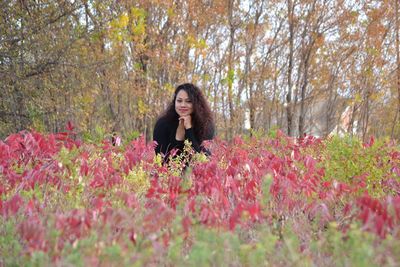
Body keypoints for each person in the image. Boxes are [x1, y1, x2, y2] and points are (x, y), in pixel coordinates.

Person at [153, 83, 215, 163]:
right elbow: (161, 159)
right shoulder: (162, 124)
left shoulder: (206, 124)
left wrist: (189, 129)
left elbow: (203, 159)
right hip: (169, 173)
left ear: (196, 103)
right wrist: (179, 135)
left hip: (196, 173)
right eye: (179, 101)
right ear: (174, 102)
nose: (183, 105)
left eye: (188, 101)